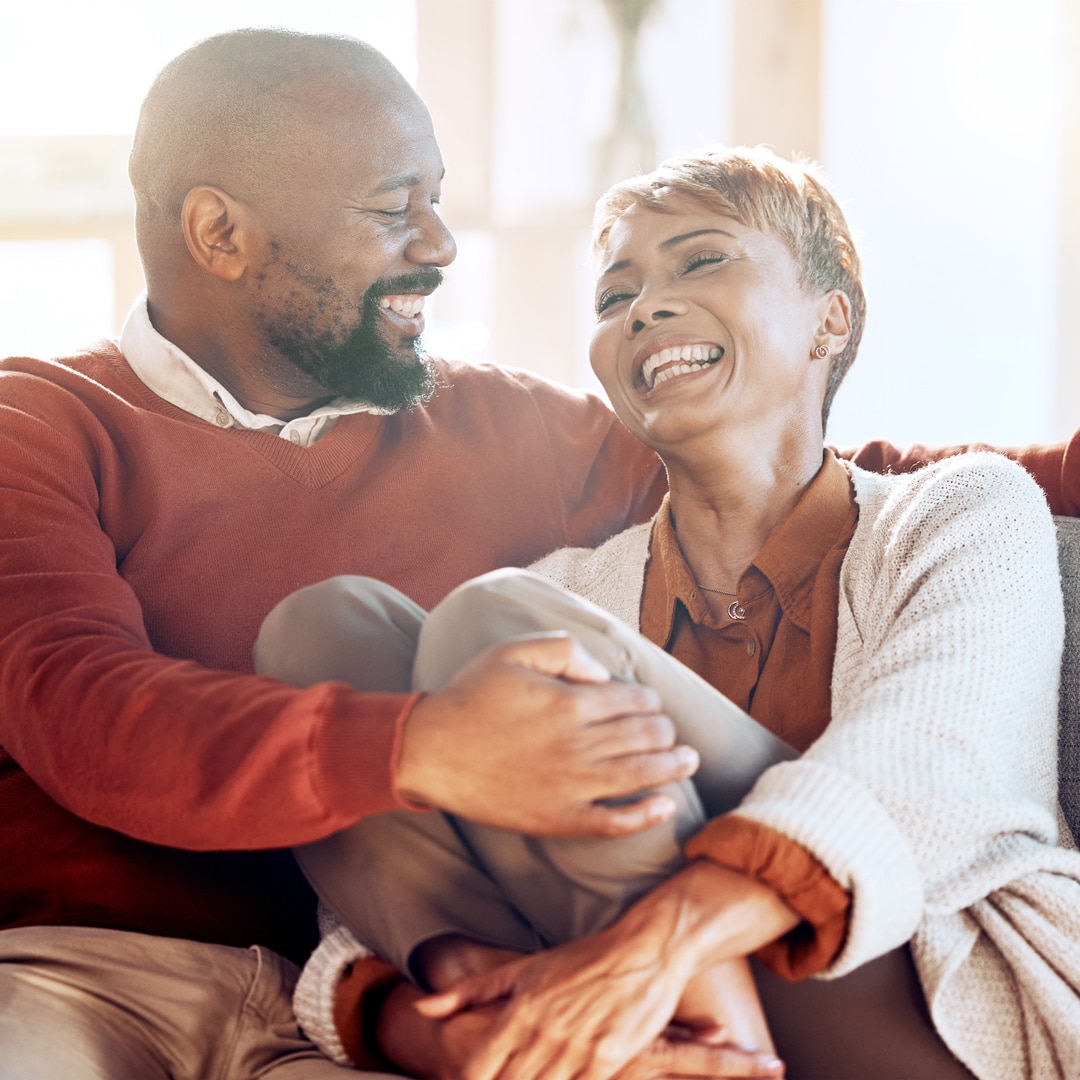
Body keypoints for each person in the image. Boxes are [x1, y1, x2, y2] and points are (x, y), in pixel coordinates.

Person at [0, 28, 753, 1080]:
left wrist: (1068, 468)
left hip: (370, 1003)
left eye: (438, 200)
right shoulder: (38, 422)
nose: (441, 244)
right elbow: (79, 707)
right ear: (221, 232)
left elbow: (789, 483)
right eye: (395, 208)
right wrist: (424, 746)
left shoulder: (509, 427)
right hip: (83, 975)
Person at [282, 146, 1080, 1080]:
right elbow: (384, 875)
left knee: (499, 629)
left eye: (702, 261)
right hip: (601, 1014)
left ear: (831, 320)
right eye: (615, 296)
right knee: (322, 629)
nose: (646, 307)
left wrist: (652, 951)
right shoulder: (572, 591)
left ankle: (699, 1028)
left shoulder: (964, 508)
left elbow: (936, 761)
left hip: (919, 1003)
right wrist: (436, 1023)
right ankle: (529, 1013)